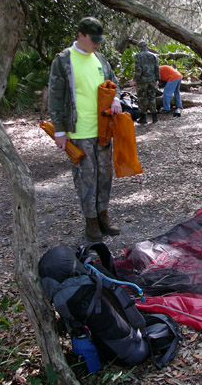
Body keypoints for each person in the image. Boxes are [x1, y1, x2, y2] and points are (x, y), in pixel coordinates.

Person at [48, 16, 123, 242]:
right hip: (78, 132)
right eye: (93, 39)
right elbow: (55, 96)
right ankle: (90, 221)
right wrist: (59, 131)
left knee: (105, 174)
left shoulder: (100, 58)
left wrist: (116, 99)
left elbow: (112, 82)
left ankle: (103, 215)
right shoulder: (63, 61)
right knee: (86, 177)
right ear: (80, 35)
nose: (97, 44)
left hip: (102, 129)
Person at [130, 40, 159, 124]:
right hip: (152, 80)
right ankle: (154, 117)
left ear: (139, 48)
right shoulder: (153, 56)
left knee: (142, 98)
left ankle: (143, 118)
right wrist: (157, 79)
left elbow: (138, 69)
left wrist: (134, 79)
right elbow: (157, 68)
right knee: (152, 97)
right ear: (146, 47)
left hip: (142, 81)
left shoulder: (138, 56)